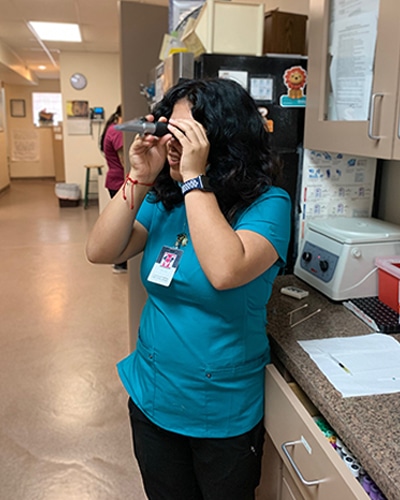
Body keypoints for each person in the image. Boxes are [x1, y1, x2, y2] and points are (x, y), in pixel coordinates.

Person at [86, 78, 291, 499]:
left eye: (188, 135)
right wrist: (140, 177)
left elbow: (224, 270)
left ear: (223, 137)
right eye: (170, 132)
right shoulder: (166, 198)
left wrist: (195, 179)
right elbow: (101, 250)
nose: (174, 145)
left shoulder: (268, 204)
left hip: (222, 408)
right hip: (152, 393)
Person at [100, 104, 127, 273]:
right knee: (125, 224)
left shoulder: (110, 128)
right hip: (119, 182)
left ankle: (121, 261)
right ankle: (121, 262)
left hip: (114, 180)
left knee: (123, 223)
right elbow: (126, 162)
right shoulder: (117, 130)